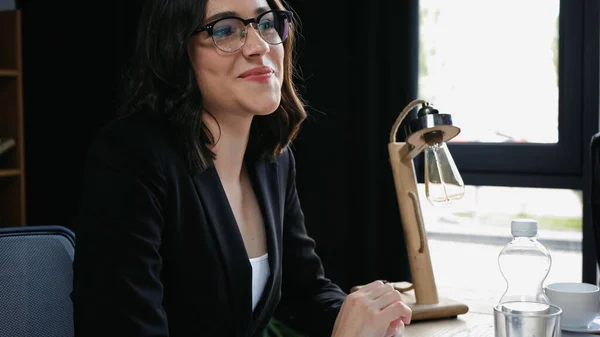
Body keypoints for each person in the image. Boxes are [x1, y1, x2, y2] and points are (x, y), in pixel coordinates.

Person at [70, 0, 412, 336]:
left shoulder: (273, 160)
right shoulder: (130, 156)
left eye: (266, 23)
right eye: (225, 30)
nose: (259, 45)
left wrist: (367, 319)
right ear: (176, 51)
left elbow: (305, 292)